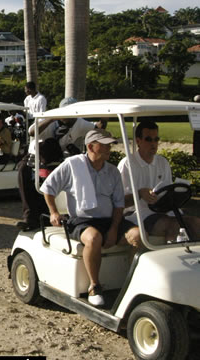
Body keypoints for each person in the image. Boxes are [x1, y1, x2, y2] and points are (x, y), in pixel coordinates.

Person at [40, 129, 140, 306]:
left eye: (110, 144)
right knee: (94, 238)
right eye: (105, 145)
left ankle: (132, 283)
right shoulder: (72, 165)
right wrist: (54, 211)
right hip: (81, 219)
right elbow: (48, 188)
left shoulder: (113, 171)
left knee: (138, 235)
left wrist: (114, 228)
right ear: (91, 147)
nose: (110, 148)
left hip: (108, 219)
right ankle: (94, 286)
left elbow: (118, 204)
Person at [15, 97, 100, 230]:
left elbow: (97, 127)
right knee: (23, 170)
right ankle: (30, 217)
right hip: (36, 155)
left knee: (75, 170)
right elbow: (32, 132)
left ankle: (66, 213)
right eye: (66, 115)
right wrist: (53, 118)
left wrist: (103, 120)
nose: (69, 119)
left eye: (72, 115)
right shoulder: (49, 120)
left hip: (57, 157)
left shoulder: (80, 123)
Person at [118, 121, 200, 243]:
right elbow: (120, 202)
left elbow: (167, 190)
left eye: (156, 139)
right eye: (148, 139)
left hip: (164, 211)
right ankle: (171, 259)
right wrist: (140, 194)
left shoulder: (163, 162)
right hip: (138, 214)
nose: (153, 144)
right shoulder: (127, 164)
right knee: (172, 224)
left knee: (196, 222)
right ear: (138, 141)